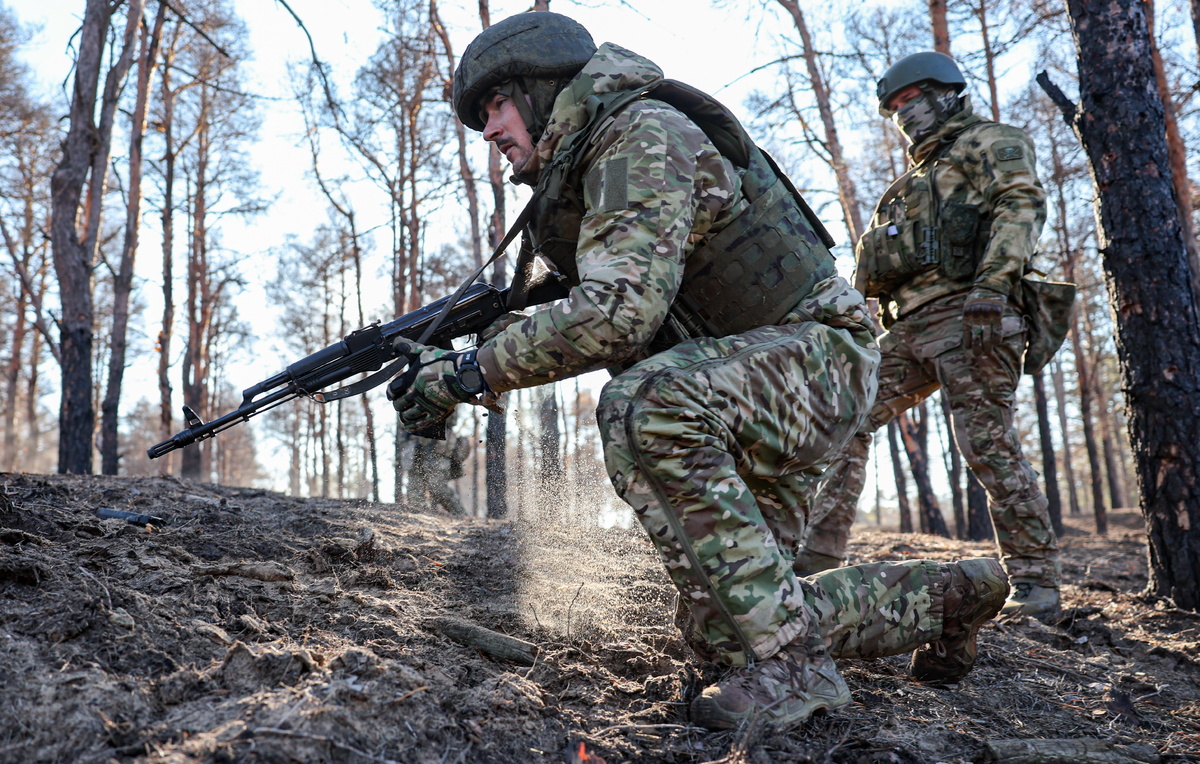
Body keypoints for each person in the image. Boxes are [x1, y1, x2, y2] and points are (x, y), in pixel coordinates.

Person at [387, 13, 1010, 730]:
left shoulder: (639, 134)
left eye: (495, 106)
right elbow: (618, 314)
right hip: (750, 384)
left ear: (538, 89)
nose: (489, 131)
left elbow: (616, 314)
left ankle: (798, 669)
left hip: (817, 360)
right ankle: (958, 595)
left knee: (642, 405)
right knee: (733, 631)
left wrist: (468, 373)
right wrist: (471, 357)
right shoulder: (587, 175)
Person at [800, 51, 1060, 620]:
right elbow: (871, 270)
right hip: (908, 327)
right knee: (846, 417)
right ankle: (814, 559)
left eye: (910, 99)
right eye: (894, 108)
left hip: (973, 315)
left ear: (946, 93)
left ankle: (1037, 583)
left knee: (985, 442)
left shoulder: (987, 142)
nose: (904, 114)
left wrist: (992, 289)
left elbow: (1021, 204)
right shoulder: (908, 185)